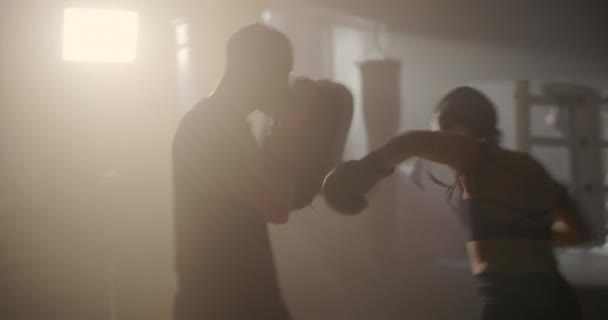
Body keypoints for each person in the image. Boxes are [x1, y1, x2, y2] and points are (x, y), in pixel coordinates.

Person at [322, 86, 590, 319]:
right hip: (558, 299)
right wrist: (525, 239)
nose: (440, 151)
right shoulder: (531, 167)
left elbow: (411, 142)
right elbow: (578, 231)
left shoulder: (473, 154)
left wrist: (361, 174)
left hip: (512, 304)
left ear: (456, 127)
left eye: (439, 133)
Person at [172, 23, 353, 320]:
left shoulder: (225, 124)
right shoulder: (213, 127)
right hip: (222, 300)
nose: (285, 84)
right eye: (281, 71)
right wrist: (290, 129)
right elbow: (277, 205)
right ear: (256, 69)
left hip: (235, 294)